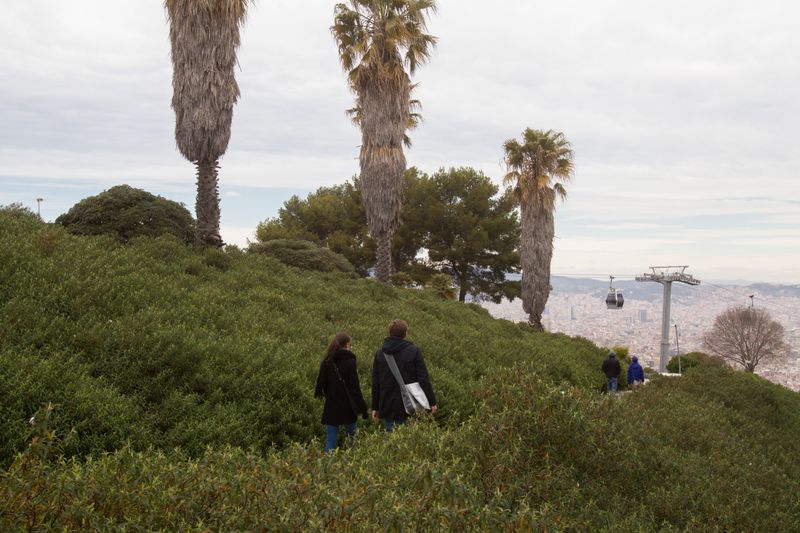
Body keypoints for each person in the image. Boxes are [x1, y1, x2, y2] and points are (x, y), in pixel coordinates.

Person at [371, 319, 437, 432]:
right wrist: (432, 402)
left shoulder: (380, 354)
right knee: (409, 444)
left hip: (388, 405)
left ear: (390, 332)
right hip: (411, 405)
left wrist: (375, 407)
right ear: (405, 333)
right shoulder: (414, 351)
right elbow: (423, 379)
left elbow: (376, 383)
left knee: (391, 443)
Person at [314, 332, 368, 452]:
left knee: (330, 441)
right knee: (351, 439)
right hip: (348, 406)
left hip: (332, 405)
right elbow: (355, 388)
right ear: (347, 345)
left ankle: (327, 467)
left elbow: (320, 384)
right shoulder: (350, 361)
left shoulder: (327, 361)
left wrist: (329, 395)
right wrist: (362, 408)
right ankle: (350, 465)